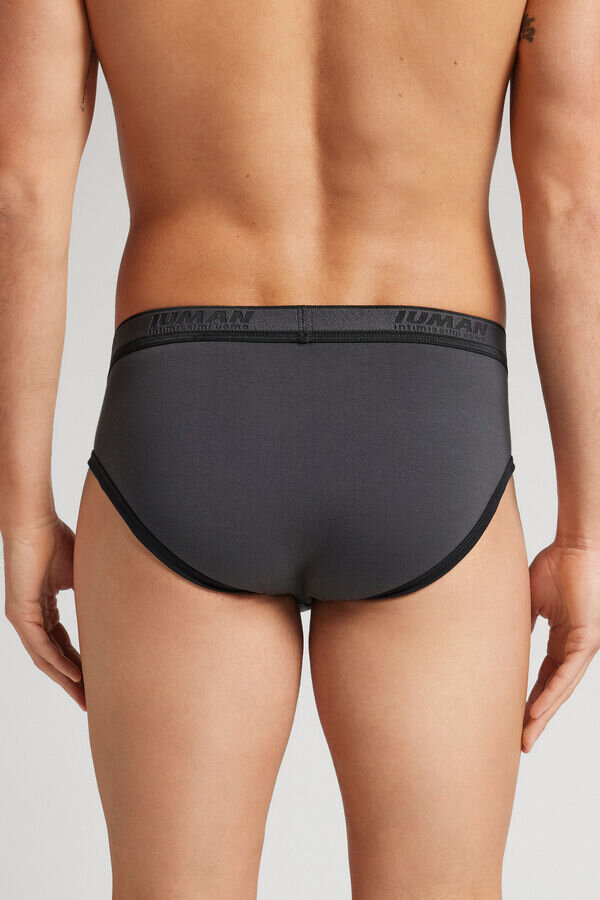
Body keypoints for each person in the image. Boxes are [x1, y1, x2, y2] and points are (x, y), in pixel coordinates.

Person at [1, 0, 599, 897]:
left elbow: (20, 190)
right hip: (429, 427)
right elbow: (575, 205)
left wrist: (20, 514)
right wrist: (586, 532)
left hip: (184, 418)